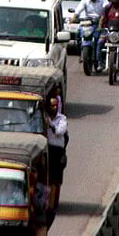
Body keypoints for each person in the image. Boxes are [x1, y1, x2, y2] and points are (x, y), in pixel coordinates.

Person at [45, 96, 68, 228]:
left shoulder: (62, 119)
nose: (53, 107)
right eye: (51, 105)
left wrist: (50, 125)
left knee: (55, 180)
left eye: (55, 105)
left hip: (57, 151)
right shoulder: (44, 117)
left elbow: (60, 131)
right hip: (47, 149)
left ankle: (51, 206)